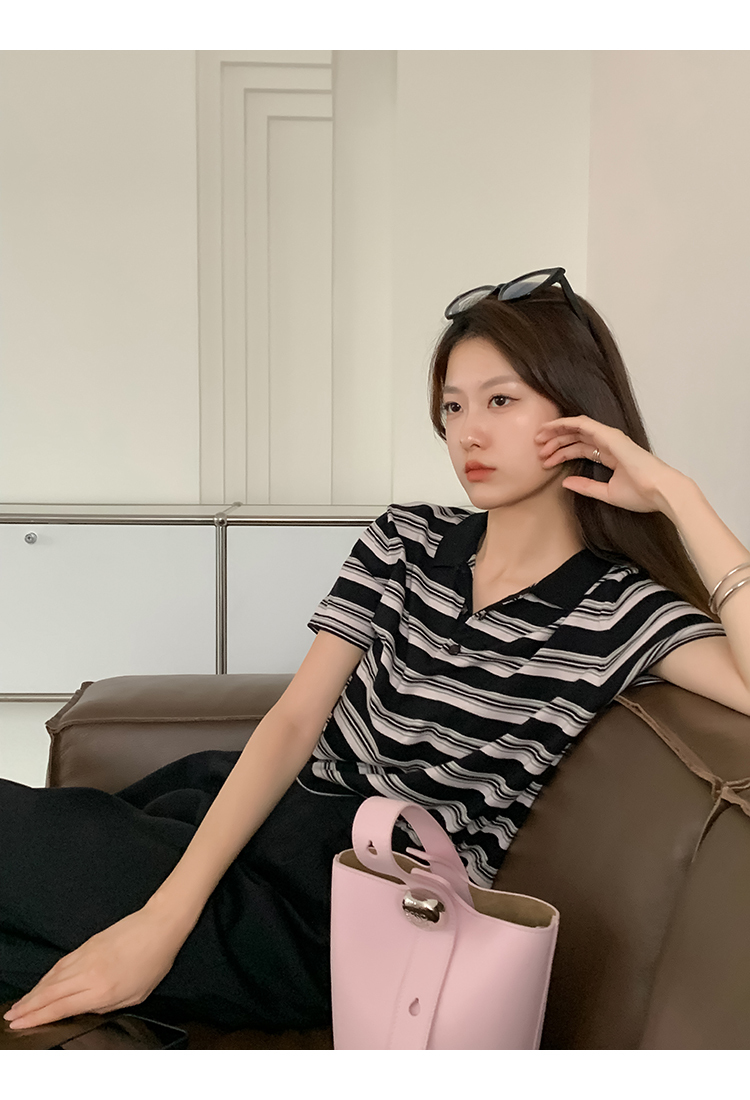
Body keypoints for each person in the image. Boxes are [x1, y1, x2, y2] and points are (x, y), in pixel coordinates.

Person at [3, 267, 750, 1034]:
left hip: (359, 909)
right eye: (453, 406)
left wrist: (676, 496)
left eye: (500, 401)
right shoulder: (407, 540)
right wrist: (165, 915)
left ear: (581, 414)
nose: (468, 433)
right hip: (247, 820)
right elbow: (295, 721)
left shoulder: (621, 610)